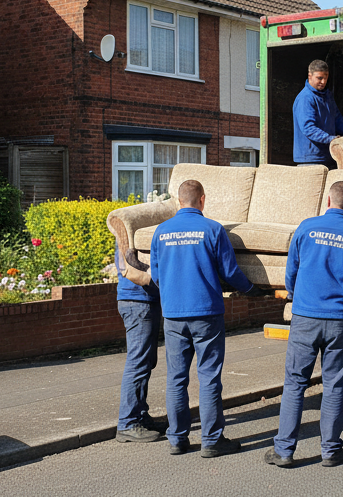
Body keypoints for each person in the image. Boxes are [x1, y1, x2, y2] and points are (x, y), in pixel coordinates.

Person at [149, 179, 265, 457]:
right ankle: (212, 440)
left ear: (178, 202)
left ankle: (177, 439)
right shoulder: (212, 229)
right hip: (206, 313)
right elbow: (230, 271)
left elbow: (155, 274)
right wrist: (252, 290)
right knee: (209, 377)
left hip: (174, 315)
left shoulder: (161, 232)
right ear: (202, 200)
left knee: (176, 378)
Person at [266, 181, 343, 468]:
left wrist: (295, 294)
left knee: (294, 384)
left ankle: (284, 451)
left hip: (305, 317)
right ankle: (330, 450)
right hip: (340, 320)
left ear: (328, 200)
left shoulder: (306, 227)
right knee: (334, 385)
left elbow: (291, 272)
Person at [113, 247, 163, 443]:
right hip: (138, 301)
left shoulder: (129, 234)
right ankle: (128, 423)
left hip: (139, 300)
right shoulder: (131, 236)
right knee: (138, 363)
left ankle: (140, 416)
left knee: (146, 361)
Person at [293, 59, 343, 167]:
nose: (323, 82)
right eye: (319, 78)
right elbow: (308, 128)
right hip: (310, 160)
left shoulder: (327, 96)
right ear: (309, 76)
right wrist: (330, 139)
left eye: (325, 78)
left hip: (328, 157)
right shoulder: (305, 98)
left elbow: (337, 119)